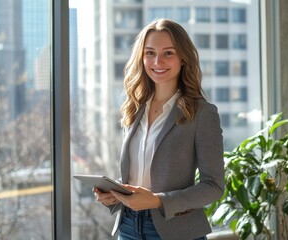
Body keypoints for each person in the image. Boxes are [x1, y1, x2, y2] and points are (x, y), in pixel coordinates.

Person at [93, 18, 224, 240]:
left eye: (168, 53)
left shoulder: (202, 113)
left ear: (183, 58)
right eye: (150, 53)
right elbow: (140, 173)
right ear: (141, 57)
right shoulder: (134, 108)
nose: (158, 61)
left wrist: (156, 200)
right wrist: (116, 193)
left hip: (175, 230)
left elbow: (213, 186)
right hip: (128, 226)